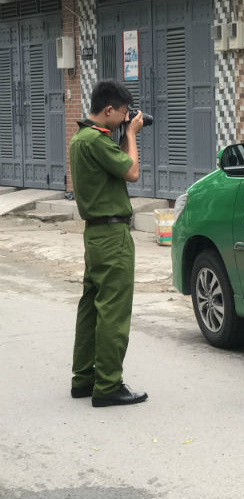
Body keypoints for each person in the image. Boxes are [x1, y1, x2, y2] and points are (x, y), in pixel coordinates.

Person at [69, 79, 147, 408]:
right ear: (109, 109)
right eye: (123, 113)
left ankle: (83, 378)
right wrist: (132, 135)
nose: (126, 118)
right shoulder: (97, 141)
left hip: (94, 234)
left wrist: (123, 132)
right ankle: (108, 384)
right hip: (113, 236)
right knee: (113, 310)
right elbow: (132, 172)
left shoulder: (80, 138)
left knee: (91, 307)